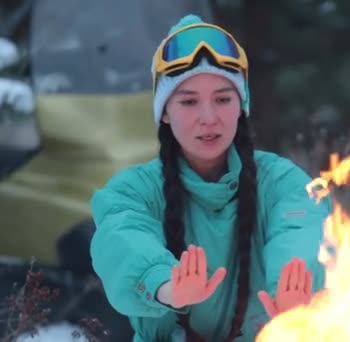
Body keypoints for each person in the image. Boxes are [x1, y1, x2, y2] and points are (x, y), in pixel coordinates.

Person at [89, 14, 329, 342]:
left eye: (222, 98)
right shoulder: (132, 192)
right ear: (165, 112)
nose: (208, 118)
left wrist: (290, 287)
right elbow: (123, 237)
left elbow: (297, 231)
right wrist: (165, 285)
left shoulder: (281, 181)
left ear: (241, 106)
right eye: (188, 101)